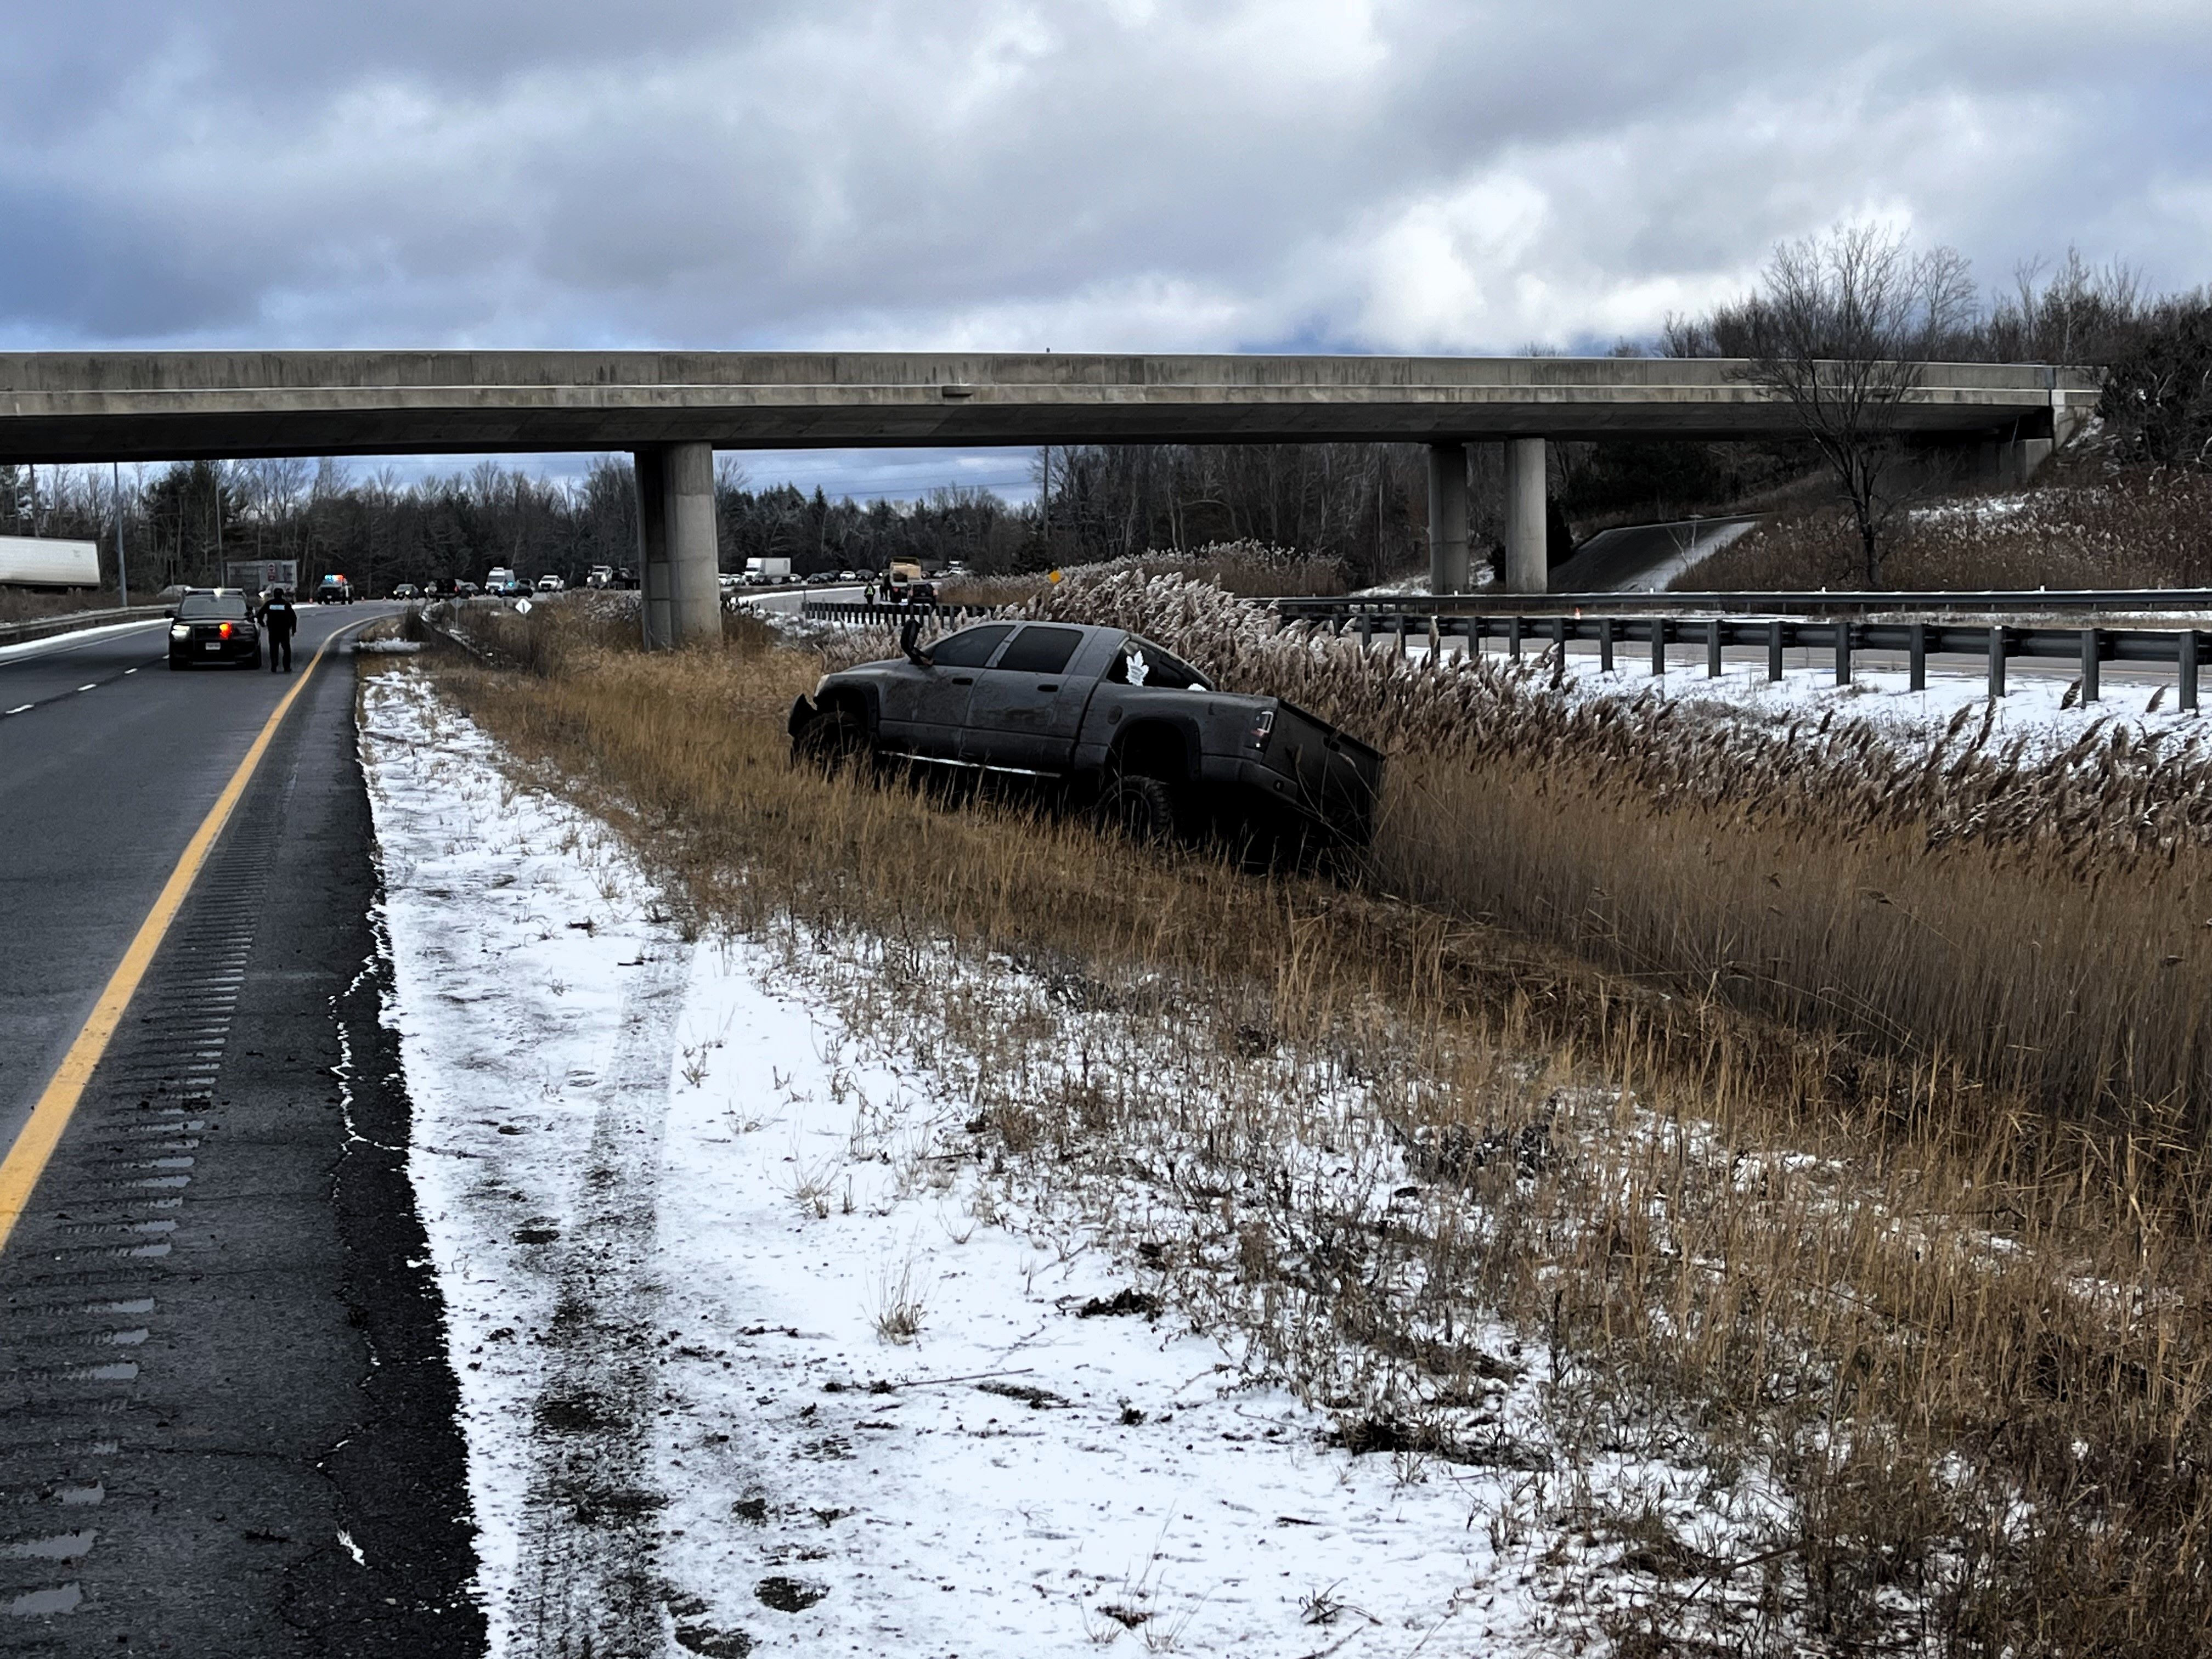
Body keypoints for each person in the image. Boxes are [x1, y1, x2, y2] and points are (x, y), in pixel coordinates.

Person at [261, 586, 298, 672]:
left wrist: (263, 624)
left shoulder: (269, 604)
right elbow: (293, 617)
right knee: (286, 649)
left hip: (273, 630)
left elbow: (260, 615)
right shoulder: (286, 604)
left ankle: (274, 665)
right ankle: (286, 667)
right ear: (282, 595)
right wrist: (293, 629)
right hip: (284, 631)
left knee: (273, 649)